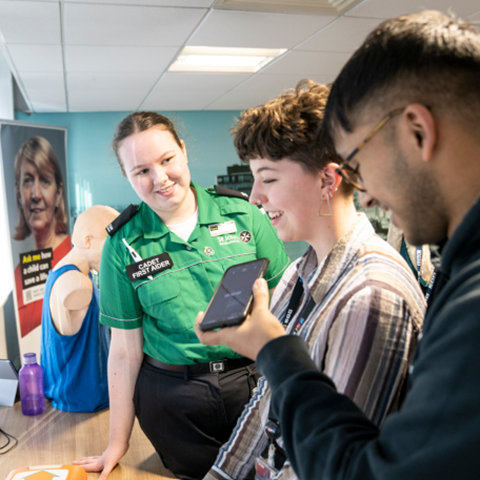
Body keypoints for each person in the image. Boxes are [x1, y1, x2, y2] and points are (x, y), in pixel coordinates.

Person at [195, 11, 480, 480]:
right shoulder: (301, 271)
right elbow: (268, 412)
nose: (363, 191)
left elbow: (356, 470)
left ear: (417, 132)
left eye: (360, 161)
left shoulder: (378, 292)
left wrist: (273, 347)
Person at [197, 81, 425, 480]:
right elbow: (267, 403)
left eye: (268, 179)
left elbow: (330, 464)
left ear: (328, 181)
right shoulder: (296, 276)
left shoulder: (371, 295)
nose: (254, 197)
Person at [74, 112, 289, 480]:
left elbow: (287, 302)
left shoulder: (243, 215)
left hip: (254, 386)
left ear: (183, 151)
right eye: (141, 171)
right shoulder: (122, 244)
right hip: (174, 402)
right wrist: (117, 443)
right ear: (127, 176)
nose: (160, 179)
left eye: (167, 160)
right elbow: (125, 351)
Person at [41, 205, 119, 413]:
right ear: (88, 241)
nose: (116, 252)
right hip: (84, 400)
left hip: (70, 393)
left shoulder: (60, 272)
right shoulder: (78, 284)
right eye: (111, 243)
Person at [13, 136, 71, 337]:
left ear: (58, 193)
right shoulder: (17, 275)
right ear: (18, 194)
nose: (35, 194)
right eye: (27, 180)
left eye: (45, 180)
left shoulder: (73, 258)